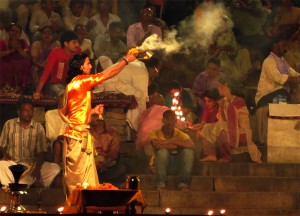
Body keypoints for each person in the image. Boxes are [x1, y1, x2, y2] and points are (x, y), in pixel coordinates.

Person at [59, 51, 137, 194]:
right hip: (77, 138)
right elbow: (108, 74)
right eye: (88, 63)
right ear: (81, 67)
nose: (90, 66)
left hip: (77, 135)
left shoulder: (73, 84)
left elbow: (73, 113)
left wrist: (92, 111)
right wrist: (126, 60)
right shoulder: (81, 81)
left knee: (84, 179)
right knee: (79, 181)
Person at [0, 97, 61, 191]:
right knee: (1, 165)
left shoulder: (38, 127)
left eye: (31, 110)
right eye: (25, 110)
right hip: (13, 165)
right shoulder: (9, 124)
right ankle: (15, 184)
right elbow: (2, 145)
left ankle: (18, 182)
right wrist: (5, 154)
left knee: (55, 168)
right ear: (18, 112)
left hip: (31, 166)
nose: (29, 113)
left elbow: (42, 152)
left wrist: (37, 168)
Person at [199, 76, 262, 163]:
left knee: (220, 126)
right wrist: (221, 107)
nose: (218, 88)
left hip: (241, 132)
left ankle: (227, 156)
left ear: (225, 85)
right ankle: (211, 154)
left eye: (219, 86)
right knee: (208, 127)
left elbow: (233, 122)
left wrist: (226, 105)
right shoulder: (224, 102)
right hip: (229, 129)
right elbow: (224, 121)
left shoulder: (238, 101)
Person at [254, 36, 300, 145]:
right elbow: (279, 78)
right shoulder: (268, 61)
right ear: (275, 45)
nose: (285, 49)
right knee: (283, 92)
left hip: (279, 95)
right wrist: (292, 79)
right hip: (265, 97)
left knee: (284, 93)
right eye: (283, 45)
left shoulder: (284, 62)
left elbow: (295, 74)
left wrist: (297, 78)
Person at [94, 56, 161, 131]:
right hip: (107, 83)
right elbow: (142, 97)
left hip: (108, 82)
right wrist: (144, 121)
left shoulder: (140, 66)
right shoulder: (142, 72)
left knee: (136, 94)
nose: (157, 75)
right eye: (157, 71)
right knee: (138, 95)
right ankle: (136, 128)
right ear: (152, 69)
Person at [149, 110, 194, 191]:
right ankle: (161, 184)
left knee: (188, 152)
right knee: (163, 152)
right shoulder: (154, 133)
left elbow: (191, 145)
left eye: (172, 119)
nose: (169, 122)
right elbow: (156, 145)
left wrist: (170, 141)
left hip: (176, 165)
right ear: (163, 120)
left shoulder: (180, 134)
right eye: (167, 119)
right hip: (160, 166)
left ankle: (183, 184)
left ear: (175, 121)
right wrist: (179, 146)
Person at [33, 30, 82, 99]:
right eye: (74, 42)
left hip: (72, 84)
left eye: (77, 42)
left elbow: (83, 71)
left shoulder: (78, 51)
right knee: (62, 93)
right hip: (57, 85)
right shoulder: (56, 52)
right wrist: (37, 92)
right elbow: (47, 71)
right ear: (66, 44)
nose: (77, 45)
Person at [90, 113, 126, 188]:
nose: (92, 119)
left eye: (95, 116)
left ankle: (101, 182)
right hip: (90, 164)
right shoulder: (86, 132)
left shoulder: (113, 134)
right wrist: (94, 163)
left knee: (121, 168)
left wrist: (105, 162)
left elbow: (114, 153)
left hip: (106, 165)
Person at [0, 23, 31, 93]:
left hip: (19, 65)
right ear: (8, 32)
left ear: (20, 34)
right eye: (12, 31)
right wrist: (11, 51)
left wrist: (19, 49)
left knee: (26, 63)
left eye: (17, 32)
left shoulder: (23, 42)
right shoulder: (3, 42)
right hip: (5, 64)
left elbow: (27, 56)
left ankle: (21, 88)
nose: (14, 33)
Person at [45, 94, 68, 164]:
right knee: (57, 144)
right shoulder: (50, 114)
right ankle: (55, 167)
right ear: (58, 103)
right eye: (61, 104)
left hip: (69, 141)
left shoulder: (73, 115)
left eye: (65, 104)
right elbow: (50, 135)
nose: (63, 106)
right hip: (52, 143)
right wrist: (60, 137)